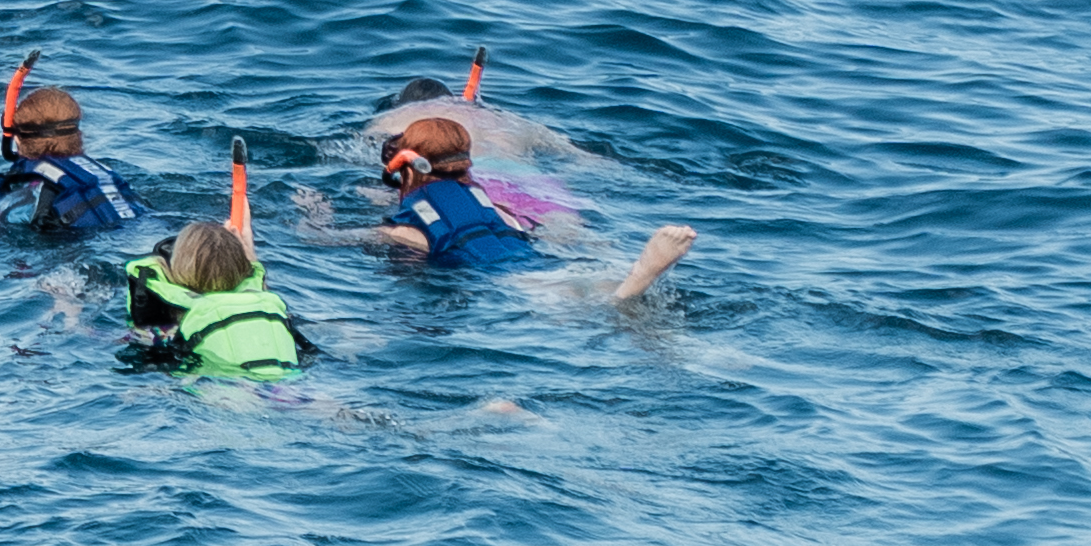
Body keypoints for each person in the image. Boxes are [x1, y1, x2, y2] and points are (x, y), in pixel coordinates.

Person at [292, 113, 694, 303]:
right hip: (557, 267)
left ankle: (637, 279)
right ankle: (635, 278)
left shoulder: (411, 231)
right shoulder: (496, 207)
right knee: (617, 303)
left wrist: (316, 211)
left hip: (522, 287)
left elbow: (318, 240)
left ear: (405, 166)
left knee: (606, 308)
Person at [119, 216, 303, 381]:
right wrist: (249, 253)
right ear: (242, 270)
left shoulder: (168, 326)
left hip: (216, 387)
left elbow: (139, 342)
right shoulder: (264, 306)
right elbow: (258, 290)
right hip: (285, 383)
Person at [0, 85, 156, 243]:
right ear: (77, 134)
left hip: (73, 247)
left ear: (18, 138)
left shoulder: (33, 191)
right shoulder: (101, 173)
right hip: (140, 230)